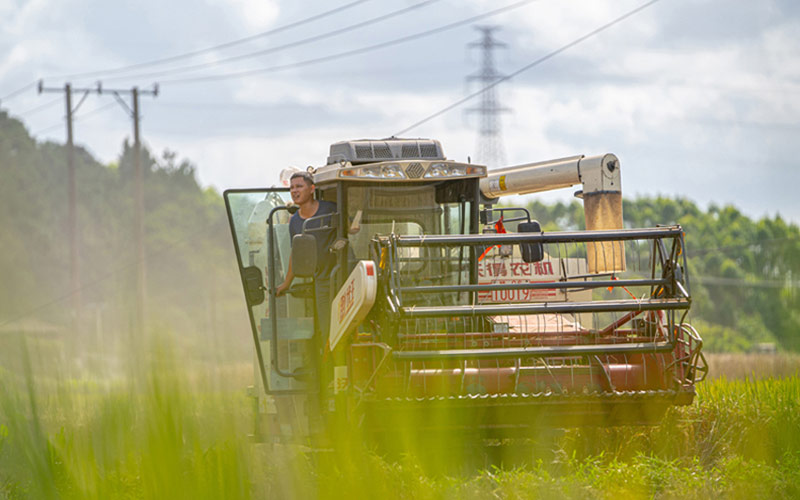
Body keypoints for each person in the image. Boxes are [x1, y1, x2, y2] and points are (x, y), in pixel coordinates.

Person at [276, 171, 337, 338]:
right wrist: (286, 284)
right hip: (322, 282)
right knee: (327, 330)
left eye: (299, 186)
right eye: (292, 188)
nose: (295, 191)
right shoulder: (294, 222)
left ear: (311, 189)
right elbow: (296, 255)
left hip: (343, 274)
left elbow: (352, 227)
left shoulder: (330, 209)